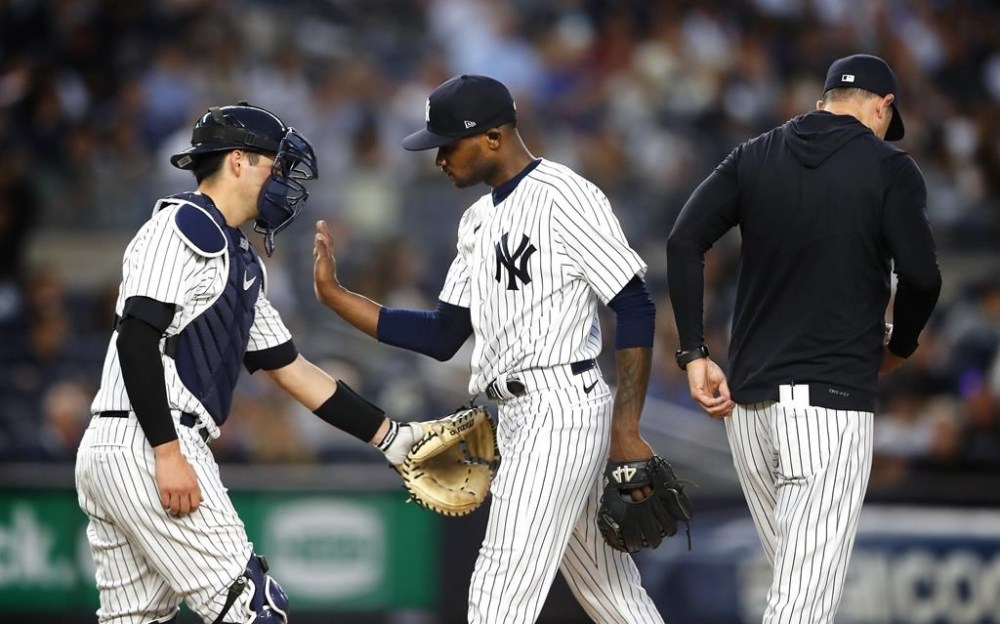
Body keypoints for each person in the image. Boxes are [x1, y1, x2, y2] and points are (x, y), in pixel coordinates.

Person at [314, 74, 669, 623]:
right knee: (610, 593)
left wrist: (627, 428)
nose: (438, 160)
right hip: (518, 415)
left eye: (448, 145)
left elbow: (635, 304)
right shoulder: (477, 220)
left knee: (499, 592)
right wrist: (338, 298)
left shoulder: (563, 194)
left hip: (561, 405)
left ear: (494, 138)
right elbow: (441, 334)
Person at [75, 103, 421, 624]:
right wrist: (167, 452)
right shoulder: (182, 226)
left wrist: (392, 437)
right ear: (237, 161)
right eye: (274, 166)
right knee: (254, 609)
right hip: (151, 440)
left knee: (135, 620)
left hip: (129, 444)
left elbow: (292, 369)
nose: (283, 180)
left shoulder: (238, 258)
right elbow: (136, 338)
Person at [666, 54, 942, 623]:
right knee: (803, 602)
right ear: (882, 106)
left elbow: (683, 240)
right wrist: (902, 346)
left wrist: (694, 353)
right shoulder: (888, 165)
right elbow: (922, 277)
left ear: (822, 102)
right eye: (889, 118)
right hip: (829, 405)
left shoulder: (754, 154)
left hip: (749, 411)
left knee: (796, 591)